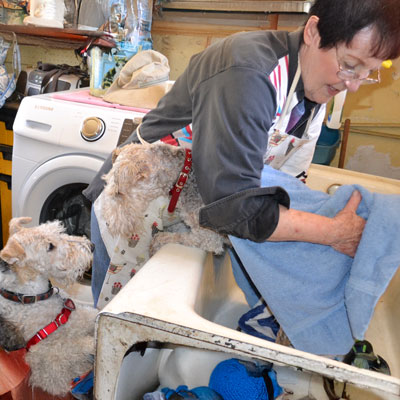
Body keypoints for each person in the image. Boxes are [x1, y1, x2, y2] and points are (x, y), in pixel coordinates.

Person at [84, 0, 400, 307]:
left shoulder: (314, 92)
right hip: (137, 209)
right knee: (123, 331)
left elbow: (289, 186)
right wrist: (333, 233)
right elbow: (235, 206)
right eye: (350, 66)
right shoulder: (248, 70)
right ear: (313, 32)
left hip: (191, 219)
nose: (354, 85)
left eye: (368, 73)